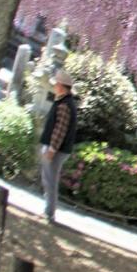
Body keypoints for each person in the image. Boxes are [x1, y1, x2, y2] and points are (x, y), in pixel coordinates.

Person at [38, 69, 78, 225]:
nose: (54, 86)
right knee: (48, 178)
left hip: (56, 149)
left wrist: (52, 149)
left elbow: (60, 129)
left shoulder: (64, 105)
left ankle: (49, 213)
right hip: (56, 148)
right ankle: (48, 210)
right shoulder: (64, 102)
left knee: (50, 180)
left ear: (61, 86)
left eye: (57, 84)